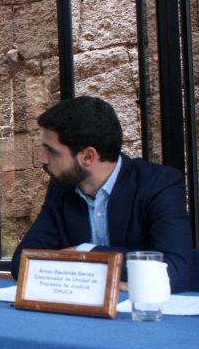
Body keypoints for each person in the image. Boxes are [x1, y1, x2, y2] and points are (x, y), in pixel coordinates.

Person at [10, 96, 192, 292]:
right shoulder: (61, 189)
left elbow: (175, 269)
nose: (42, 159)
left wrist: (85, 253)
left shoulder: (158, 184)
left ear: (88, 156)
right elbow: (23, 263)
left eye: (52, 151)